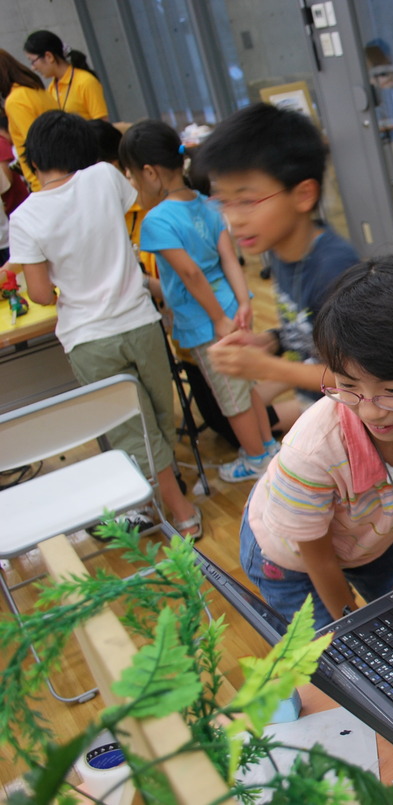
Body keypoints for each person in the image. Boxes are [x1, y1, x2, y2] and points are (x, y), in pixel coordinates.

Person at [239, 256, 393, 628]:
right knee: (332, 656)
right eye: (347, 385)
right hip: (291, 561)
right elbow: (319, 560)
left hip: (374, 538)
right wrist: (353, 628)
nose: (370, 412)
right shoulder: (313, 452)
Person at [7, 110, 202, 538]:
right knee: (157, 416)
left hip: (90, 338)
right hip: (141, 322)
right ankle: (155, 499)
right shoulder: (104, 177)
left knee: (133, 428)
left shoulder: (25, 217)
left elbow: (41, 295)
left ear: (33, 160)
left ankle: (179, 510)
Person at [119, 119, 278, 483]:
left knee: (231, 398)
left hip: (207, 320)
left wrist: (218, 320)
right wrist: (243, 302)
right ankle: (268, 447)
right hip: (232, 306)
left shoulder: (156, 220)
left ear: (150, 172)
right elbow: (229, 258)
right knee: (246, 385)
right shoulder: (207, 204)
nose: (133, 184)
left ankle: (256, 460)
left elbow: (191, 274)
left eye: (132, 176)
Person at [192, 102, 359, 436]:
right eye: (223, 202)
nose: (233, 219)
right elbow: (310, 330)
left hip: (357, 421)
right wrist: (271, 341)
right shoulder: (284, 251)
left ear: (303, 195)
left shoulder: (334, 269)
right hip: (320, 407)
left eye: (247, 201)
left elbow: (359, 379)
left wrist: (268, 367)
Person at [23, 30, 108, 121]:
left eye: (33, 61)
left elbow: (102, 123)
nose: (33, 68)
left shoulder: (85, 82)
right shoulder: (52, 88)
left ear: (49, 56)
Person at [0, 49, 54, 190]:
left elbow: (34, 147)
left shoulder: (15, 100)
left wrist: (40, 189)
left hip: (45, 182)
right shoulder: (33, 89)